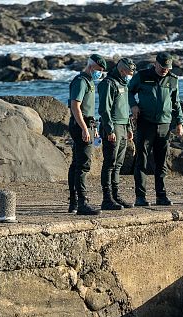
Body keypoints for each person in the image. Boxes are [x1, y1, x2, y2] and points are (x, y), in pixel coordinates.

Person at [128, 51, 183, 206]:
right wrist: (133, 105)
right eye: (163, 66)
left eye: (168, 67)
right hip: (145, 123)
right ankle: (140, 197)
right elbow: (129, 91)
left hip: (164, 125)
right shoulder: (142, 76)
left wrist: (180, 123)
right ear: (155, 64)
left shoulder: (173, 80)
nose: (165, 69)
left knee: (161, 162)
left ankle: (161, 196)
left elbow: (176, 102)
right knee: (142, 161)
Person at [68, 53, 107, 215]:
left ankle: (74, 202)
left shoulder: (90, 81)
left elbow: (87, 108)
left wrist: (93, 127)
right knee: (83, 164)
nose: (100, 73)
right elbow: (75, 106)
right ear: (90, 67)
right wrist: (84, 128)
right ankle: (82, 202)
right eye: (98, 70)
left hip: (88, 123)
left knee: (77, 162)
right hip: (80, 124)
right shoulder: (80, 81)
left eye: (102, 71)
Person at [98, 57, 136, 210]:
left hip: (122, 126)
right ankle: (107, 198)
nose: (131, 75)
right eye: (129, 72)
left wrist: (129, 128)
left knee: (118, 164)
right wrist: (109, 129)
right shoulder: (108, 84)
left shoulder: (124, 84)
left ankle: (116, 195)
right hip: (112, 127)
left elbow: (125, 109)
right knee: (109, 163)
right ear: (121, 70)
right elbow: (104, 109)